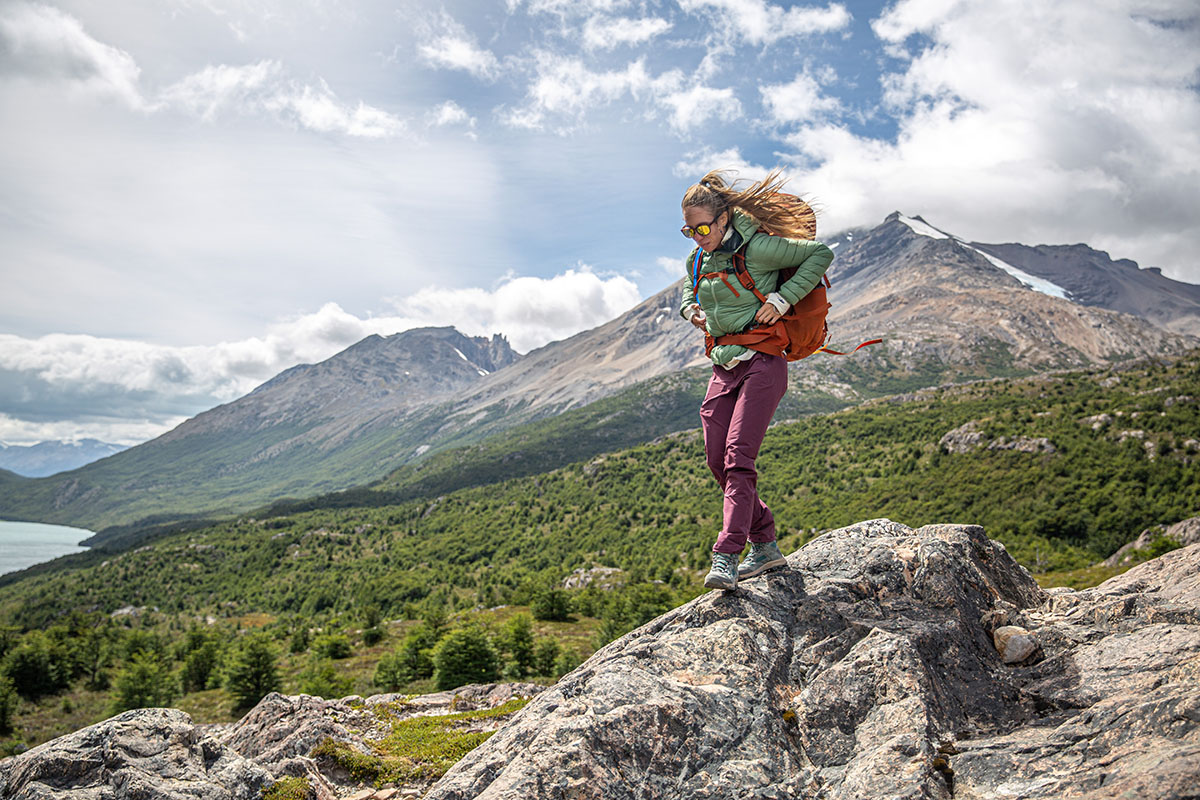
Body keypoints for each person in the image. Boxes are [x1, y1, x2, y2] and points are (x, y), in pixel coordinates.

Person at [678, 169, 834, 591]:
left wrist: (782, 300)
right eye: (689, 230)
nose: (698, 236)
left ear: (725, 218)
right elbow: (690, 294)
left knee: (737, 457)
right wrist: (690, 311)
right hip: (724, 364)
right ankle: (764, 543)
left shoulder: (759, 248)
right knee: (717, 460)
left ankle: (727, 555)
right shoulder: (699, 259)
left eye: (704, 227)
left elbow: (819, 254)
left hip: (764, 362)